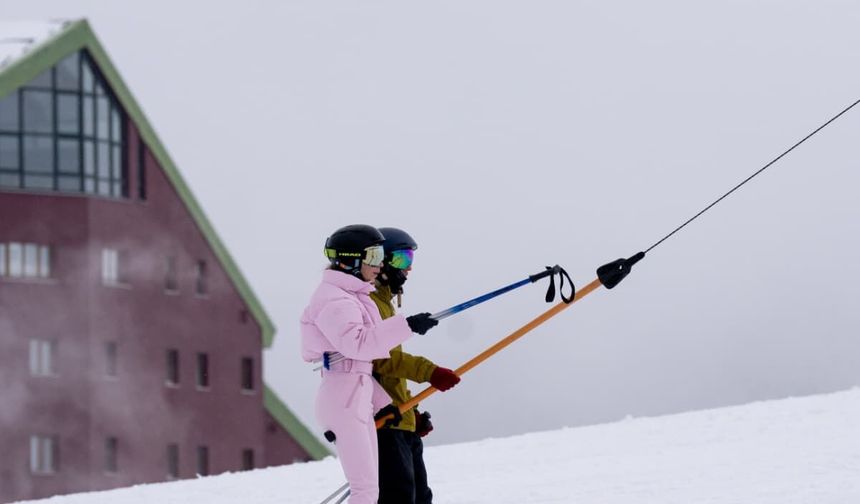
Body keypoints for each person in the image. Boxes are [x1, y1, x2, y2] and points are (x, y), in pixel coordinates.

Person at [301, 224, 439, 504]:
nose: (378, 265)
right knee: (370, 491)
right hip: (346, 401)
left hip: (362, 400)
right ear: (353, 259)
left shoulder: (360, 299)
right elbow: (364, 348)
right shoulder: (338, 300)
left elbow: (365, 369)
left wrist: (397, 410)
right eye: (374, 256)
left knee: (384, 492)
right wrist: (410, 329)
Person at [371, 227, 461, 504]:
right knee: (398, 498)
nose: (407, 269)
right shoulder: (369, 304)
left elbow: (392, 377)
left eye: (410, 259)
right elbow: (381, 361)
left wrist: (413, 413)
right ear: (381, 262)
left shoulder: (385, 304)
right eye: (401, 260)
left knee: (420, 498)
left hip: (400, 421)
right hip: (384, 424)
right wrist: (429, 371)